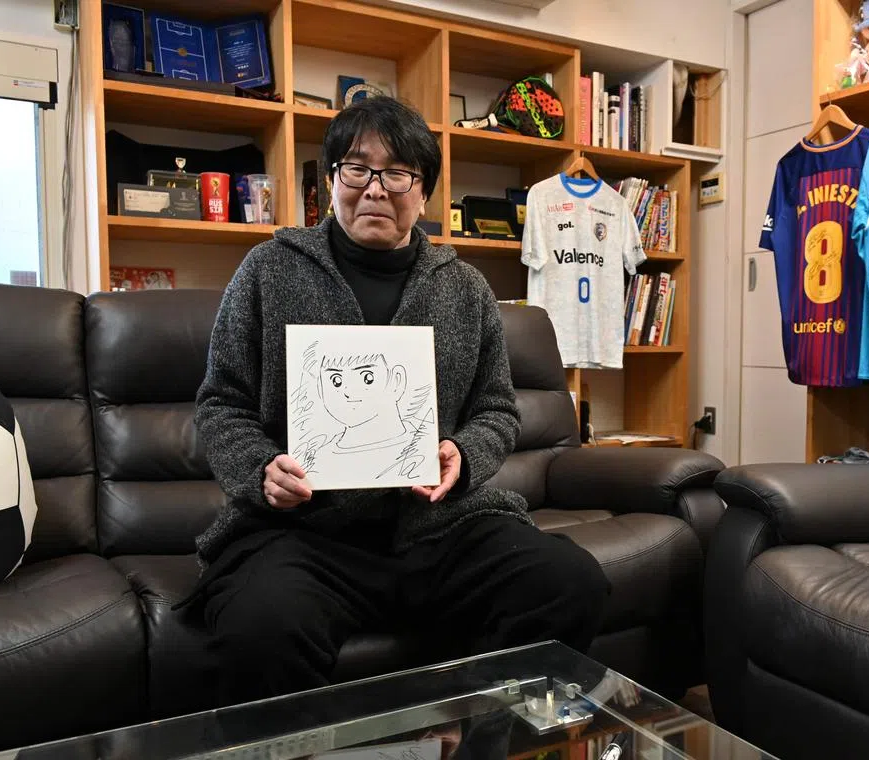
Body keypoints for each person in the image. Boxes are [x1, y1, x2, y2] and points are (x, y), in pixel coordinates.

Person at [185, 95, 611, 708]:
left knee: (569, 583)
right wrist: (260, 471)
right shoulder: (269, 270)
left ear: (424, 192)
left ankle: (473, 730)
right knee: (262, 630)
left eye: (399, 173)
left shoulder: (465, 288)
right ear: (330, 180)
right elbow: (222, 403)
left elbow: (497, 408)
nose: (376, 188)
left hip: (438, 528)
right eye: (357, 168)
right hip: (304, 534)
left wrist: (463, 454)